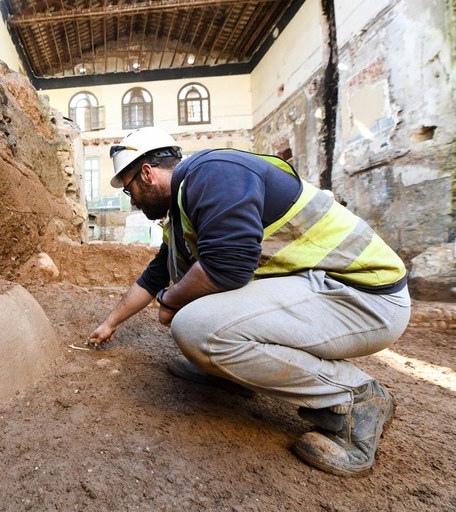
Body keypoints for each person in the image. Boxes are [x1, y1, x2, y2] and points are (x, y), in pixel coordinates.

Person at [88, 127, 410, 477]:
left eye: (129, 187)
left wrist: (170, 301)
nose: (131, 199)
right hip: (326, 289)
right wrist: (111, 323)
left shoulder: (213, 173)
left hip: (362, 297)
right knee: (197, 307)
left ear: (147, 173)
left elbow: (227, 268)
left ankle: (356, 399)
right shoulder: (187, 204)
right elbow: (155, 275)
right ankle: (233, 374)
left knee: (196, 325)